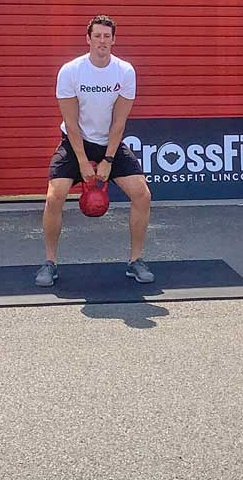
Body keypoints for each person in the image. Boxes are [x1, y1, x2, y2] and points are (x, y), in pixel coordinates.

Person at [35, 15, 156, 287]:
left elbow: (119, 122)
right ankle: (49, 262)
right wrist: (81, 162)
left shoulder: (124, 72)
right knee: (55, 195)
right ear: (88, 39)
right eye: (97, 36)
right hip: (74, 142)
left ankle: (135, 260)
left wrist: (109, 160)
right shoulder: (70, 71)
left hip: (109, 143)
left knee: (142, 194)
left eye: (107, 36)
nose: (102, 41)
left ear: (113, 40)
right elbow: (71, 122)